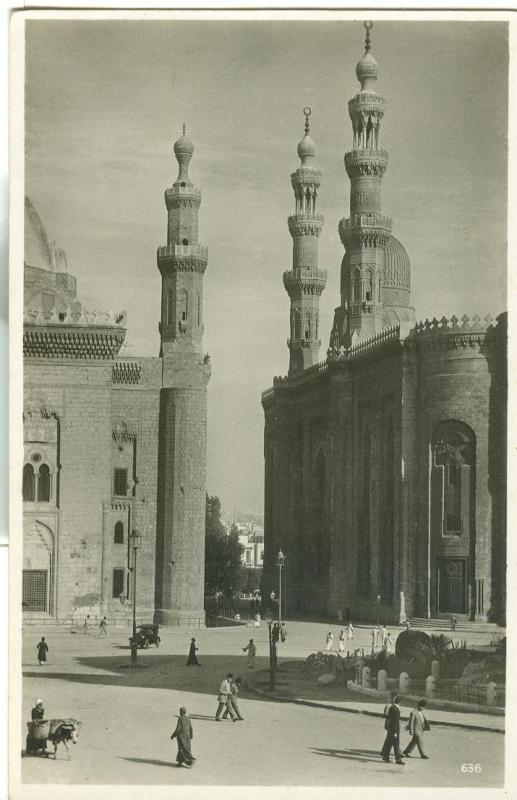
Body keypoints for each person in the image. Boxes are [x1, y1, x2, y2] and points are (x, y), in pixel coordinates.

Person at [381, 696, 405, 764]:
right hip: (394, 730)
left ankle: (385, 757)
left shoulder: (392, 708)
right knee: (396, 745)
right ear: (400, 702)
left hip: (391, 730)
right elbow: (395, 722)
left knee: (389, 744)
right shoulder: (396, 709)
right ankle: (398, 760)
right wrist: (395, 732)